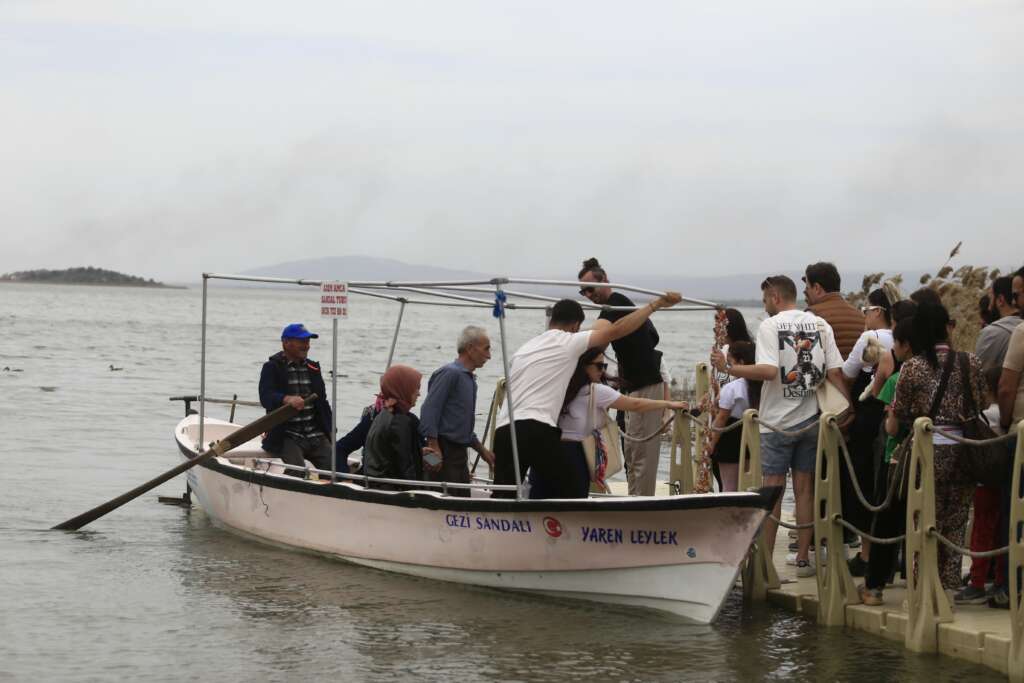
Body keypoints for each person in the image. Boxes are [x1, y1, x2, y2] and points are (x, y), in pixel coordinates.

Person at [711, 275, 848, 578]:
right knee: (804, 489)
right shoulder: (820, 325)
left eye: (763, 300)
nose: (764, 306)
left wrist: (729, 368)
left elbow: (769, 371)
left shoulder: (770, 326)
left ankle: (766, 562)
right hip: (812, 418)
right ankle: (802, 558)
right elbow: (836, 372)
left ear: (774, 297)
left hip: (776, 423)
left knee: (771, 491)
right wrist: (848, 408)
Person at [492, 292, 683, 498]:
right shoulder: (568, 340)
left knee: (505, 495)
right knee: (570, 493)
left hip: (504, 429)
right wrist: (656, 305)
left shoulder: (524, 349)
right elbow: (616, 330)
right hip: (536, 426)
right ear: (575, 325)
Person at [890, 302, 984, 594]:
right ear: (946, 327)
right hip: (964, 451)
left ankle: (922, 587)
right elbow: (982, 403)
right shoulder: (970, 362)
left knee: (922, 521)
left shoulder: (913, 367)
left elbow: (901, 413)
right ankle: (948, 589)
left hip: (927, 452)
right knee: (955, 522)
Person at [531, 348, 690, 498]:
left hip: (546, 452)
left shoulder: (560, 387)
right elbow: (636, 404)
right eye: (599, 366)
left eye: (604, 366)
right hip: (575, 455)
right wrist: (668, 404)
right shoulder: (596, 391)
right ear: (584, 366)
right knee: (573, 506)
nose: (603, 371)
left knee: (542, 505)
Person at [578, 258, 673, 496]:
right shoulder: (618, 308)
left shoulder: (616, 303)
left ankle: (642, 504)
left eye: (591, 288)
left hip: (646, 384)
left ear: (605, 280)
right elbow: (651, 336)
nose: (588, 294)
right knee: (632, 451)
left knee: (641, 453)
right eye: (583, 291)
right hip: (632, 385)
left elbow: (596, 335)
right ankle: (635, 497)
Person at [858, 316, 915, 605]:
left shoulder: (899, 378)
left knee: (887, 520)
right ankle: (924, 584)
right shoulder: (951, 367)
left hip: (898, 459)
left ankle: (874, 586)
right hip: (941, 458)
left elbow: (891, 425)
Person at [840, 288, 895, 576]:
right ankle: (894, 555)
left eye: (866, 311)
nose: (864, 316)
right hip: (895, 419)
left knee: (864, 483)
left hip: (869, 418)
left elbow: (847, 373)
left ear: (877, 311)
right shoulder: (901, 338)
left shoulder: (870, 338)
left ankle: (866, 553)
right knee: (887, 484)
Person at [418, 325, 496, 497]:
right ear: (470, 348)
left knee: (461, 499)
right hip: (443, 450)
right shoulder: (449, 373)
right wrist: (433, 446)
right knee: (442, 499)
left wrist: (482, 451)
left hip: (459, 454)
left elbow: (461, 424)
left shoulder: (469, 379)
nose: (489, 356)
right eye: (486, 349)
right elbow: (429, 410)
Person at [258, 323, 333, 477]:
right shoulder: (272, 367)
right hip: (287, 434)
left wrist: (331, 430)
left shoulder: (313, 368)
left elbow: (323, 403)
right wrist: (286, 399)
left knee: (335, 469)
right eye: (302, 342)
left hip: (315, 433)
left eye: (308, 341)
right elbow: (266, 397)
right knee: (297, 471)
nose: (306, 346)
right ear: (286, 343)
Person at [362, 364, 430, 488]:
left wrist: (420, 452)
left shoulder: (384, 414)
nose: (419, 394)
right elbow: (405, 468)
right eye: (415, 388)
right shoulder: (400, 421)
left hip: (377, 485)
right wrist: (419, 494)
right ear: (403, 389)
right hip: (390, 490)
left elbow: (392, 454)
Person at [707, 341, 760, 492]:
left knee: (729, 486)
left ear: (741, 363)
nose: (727, 366)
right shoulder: (762, 385)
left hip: (730, 437)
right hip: (753, 435)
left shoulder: (733, 388)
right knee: (750, 485)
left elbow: (722, 418)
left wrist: (711, 443)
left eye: (730, 362)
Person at [803, 262, 864, 359]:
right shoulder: (861, 316)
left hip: (828, 373)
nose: (806, 293)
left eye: (807, 288)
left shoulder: (811, 315)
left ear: (817, 288)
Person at [976, 275, 1022, 371]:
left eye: (991, 297)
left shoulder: (992, 333)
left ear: (1000, 300)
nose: (989, 307)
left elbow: (978, 374)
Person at [713, 308, 753, 386]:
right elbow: (722, 383)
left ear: (729, 329)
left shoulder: (749, 352)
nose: (716, 334)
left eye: (718, 329)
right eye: (715, 330)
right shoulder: (725, 351)